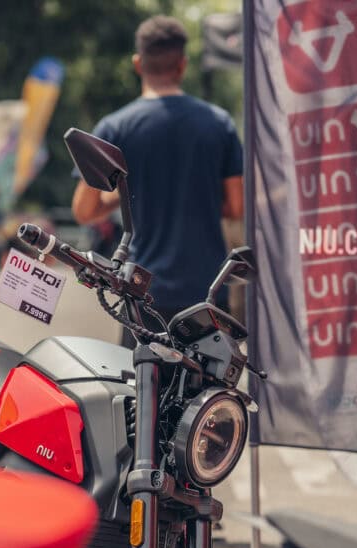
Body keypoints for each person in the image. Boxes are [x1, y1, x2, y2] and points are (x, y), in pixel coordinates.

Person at [71, 15, 244, 345]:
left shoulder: (114, 128)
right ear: (182, 65)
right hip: (207, 298)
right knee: (209, 396)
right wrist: (196, 195)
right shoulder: (219, 124)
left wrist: (133, 194)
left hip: (142, 296)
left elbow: (84, 209)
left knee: (144, 394)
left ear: (138, 64)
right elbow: (236, 207)